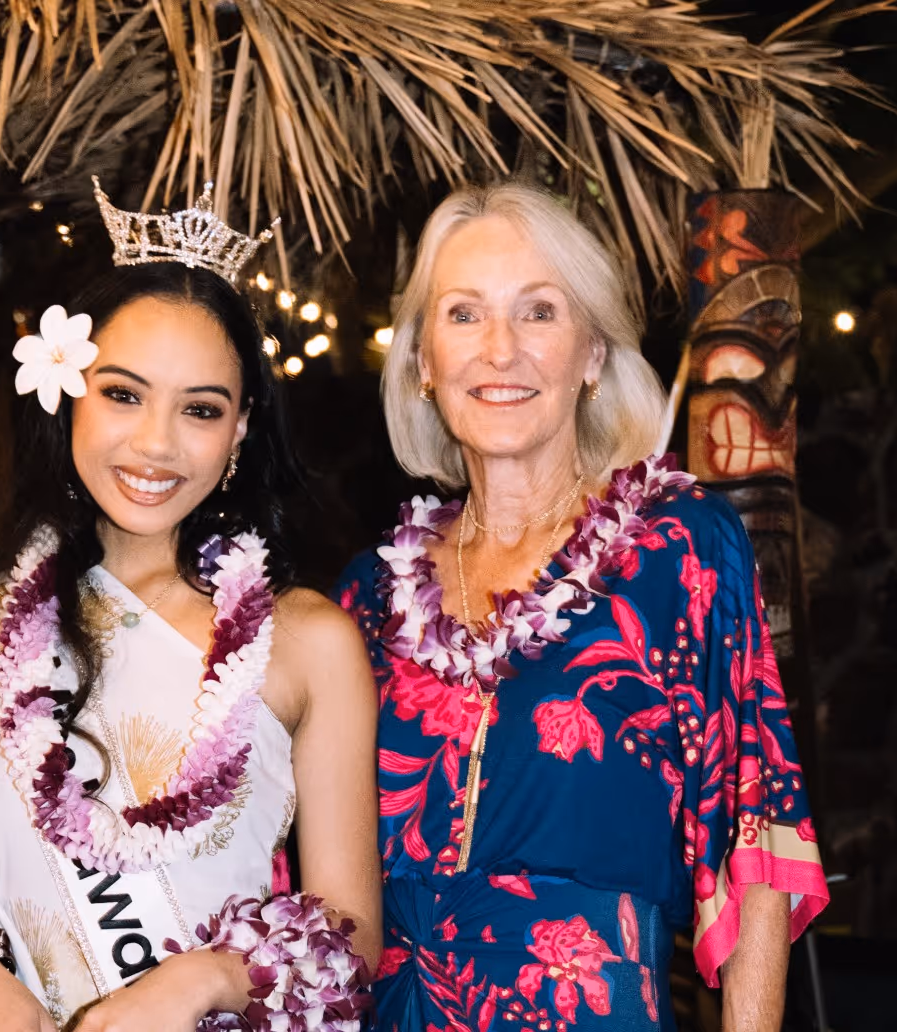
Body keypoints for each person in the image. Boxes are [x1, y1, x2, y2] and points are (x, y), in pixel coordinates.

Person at [335, 182, 828, 1031]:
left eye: (539, 312)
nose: (500, 350)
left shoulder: (679, 554)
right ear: (422, 362)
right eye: (463, 315)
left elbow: (756, 843)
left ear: (593, 353)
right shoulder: (367, 597)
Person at [0, 180, 380, 1032]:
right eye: (123, 394)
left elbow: (350, 939)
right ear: (68, 390)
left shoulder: (307, 641)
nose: (156, 443)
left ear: (238, 433)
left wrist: (198, 981)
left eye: (199, 409)